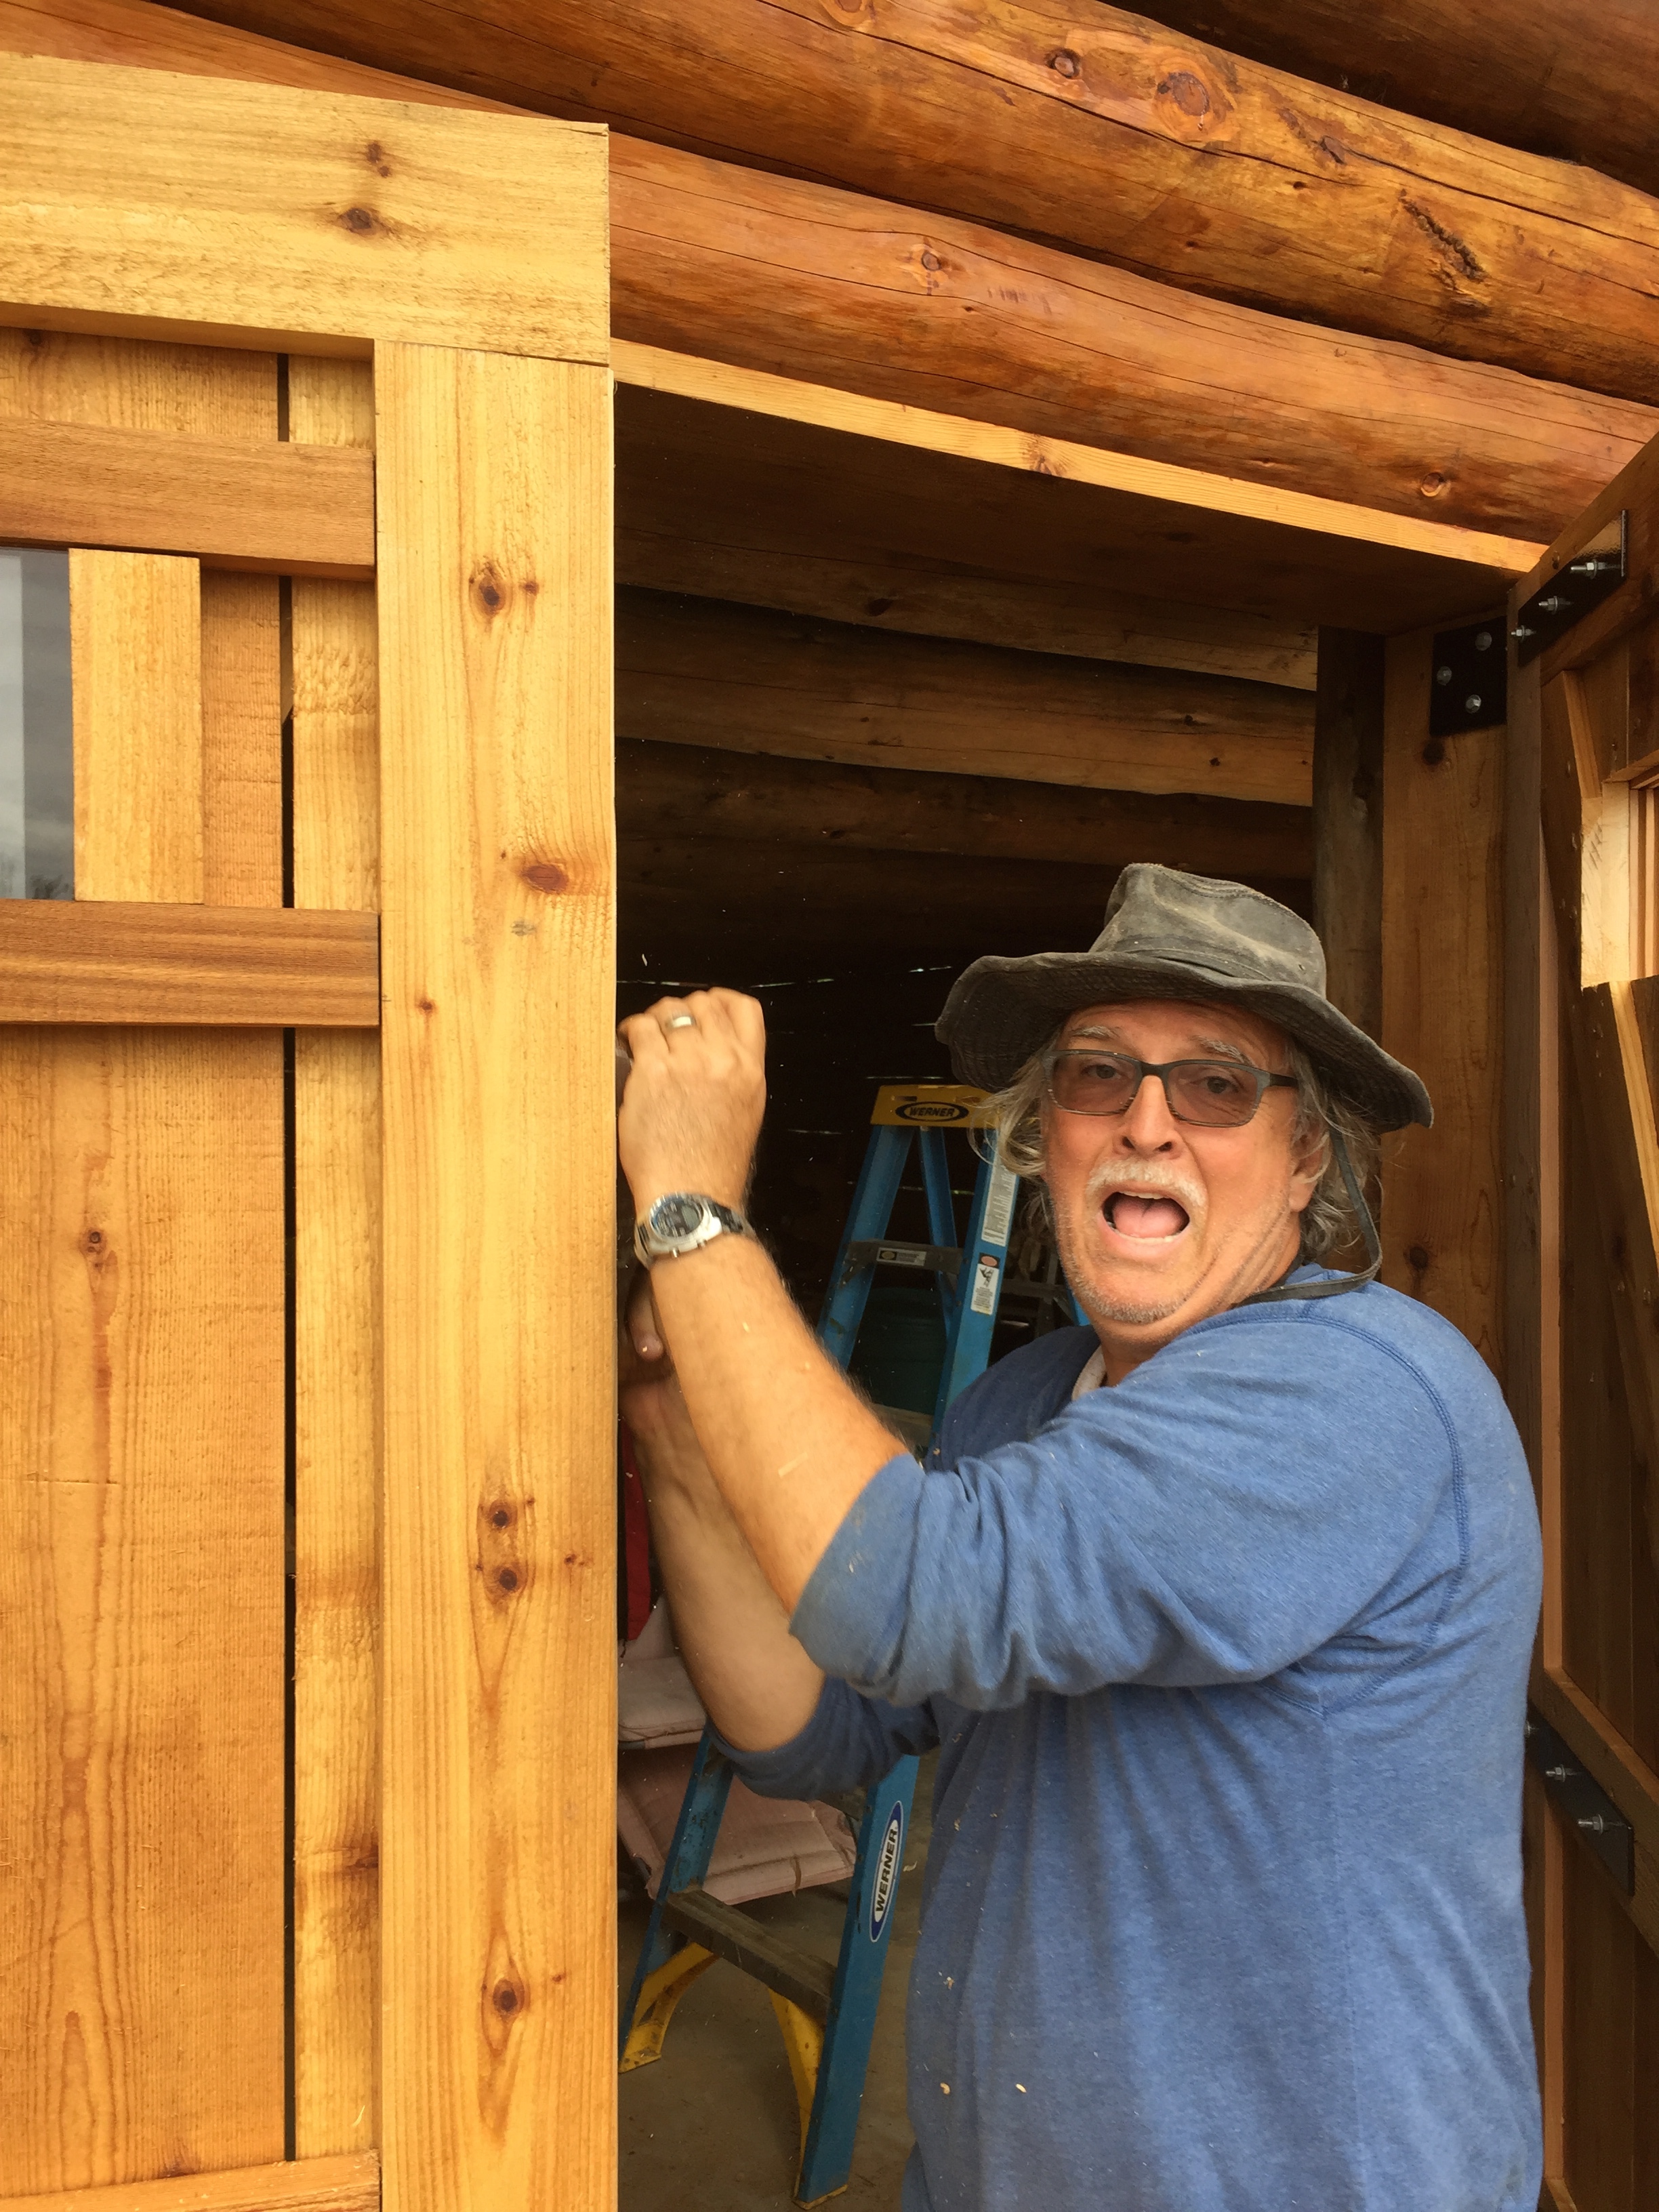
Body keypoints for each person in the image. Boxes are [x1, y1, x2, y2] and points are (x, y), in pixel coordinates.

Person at [617, 863, 1542, 2212]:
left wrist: (694, 1210)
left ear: (1306, 1159)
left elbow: (908, 1591)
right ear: (1042, 1129)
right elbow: (811, 1729)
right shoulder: (1024, 1401)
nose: (1146, 1124)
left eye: (1217, 1085)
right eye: (1098, 1075)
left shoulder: (1358, 1390)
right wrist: (667, 1421)